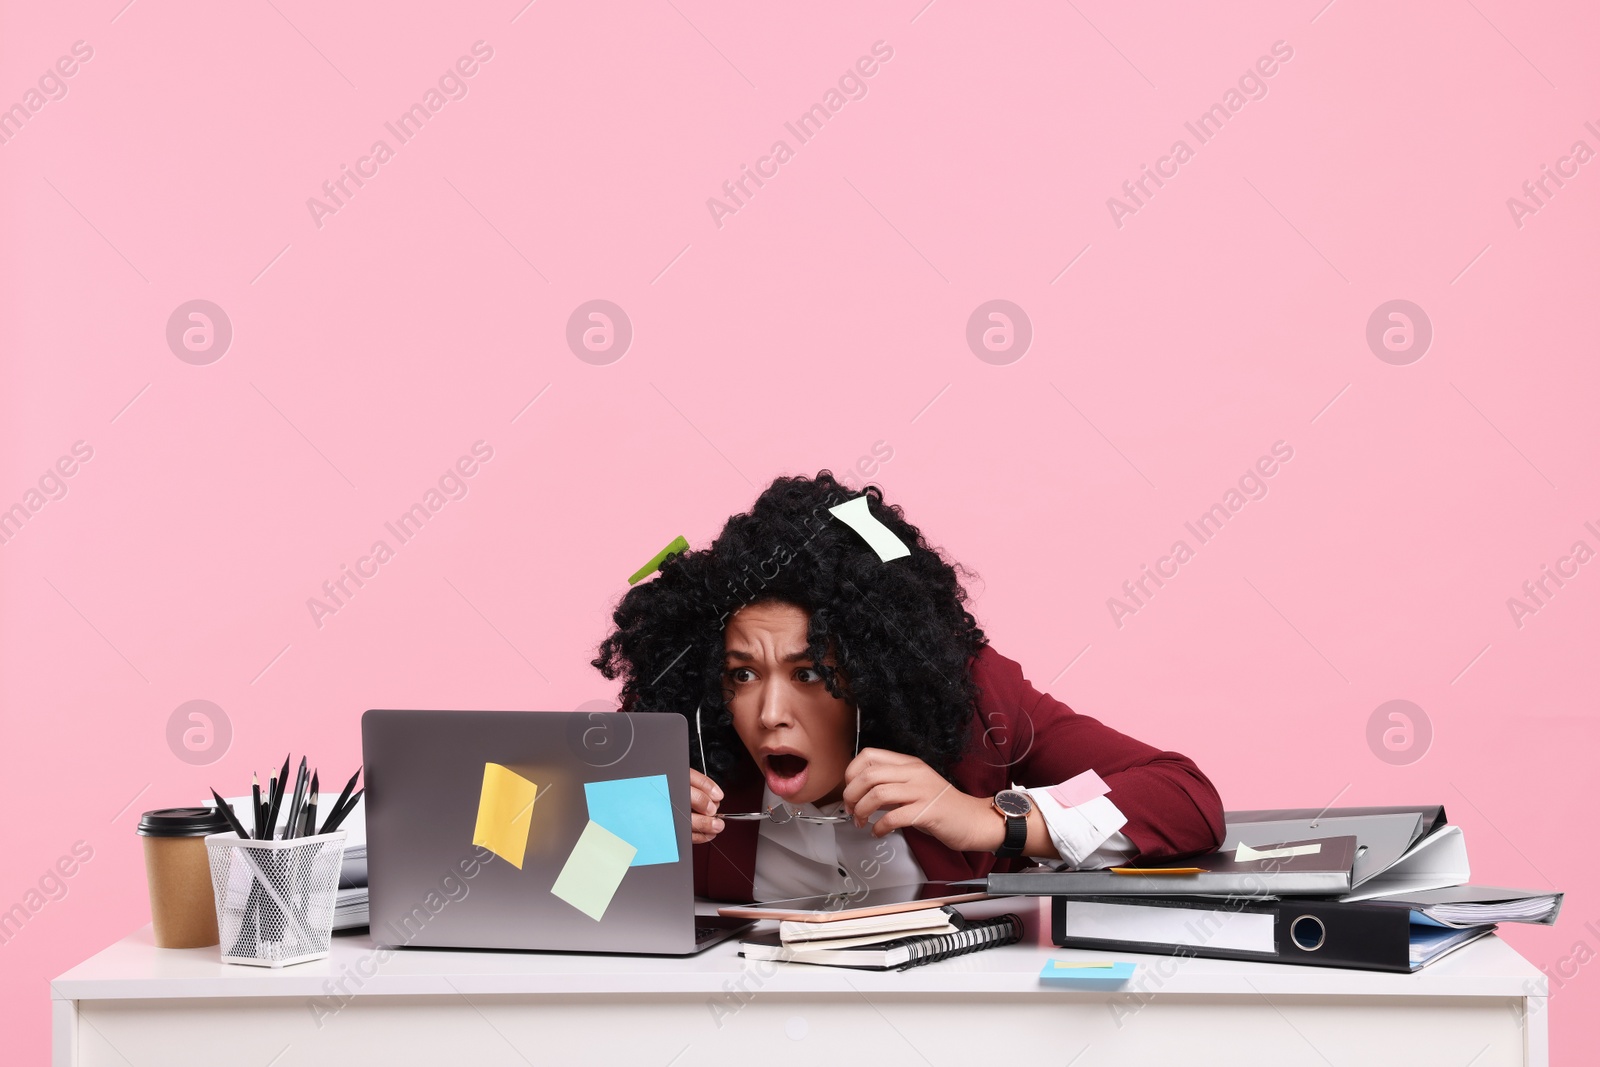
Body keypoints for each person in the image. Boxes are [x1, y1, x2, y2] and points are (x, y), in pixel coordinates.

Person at [592, 472, 1224, 903]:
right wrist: (625, 833)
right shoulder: (696, 762)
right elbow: (552, 902)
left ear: (876, 672)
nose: (770, 715)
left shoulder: (980, 706)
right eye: (742, 675)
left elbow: (1183, 796)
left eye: (808, 672)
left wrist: (988, 820)